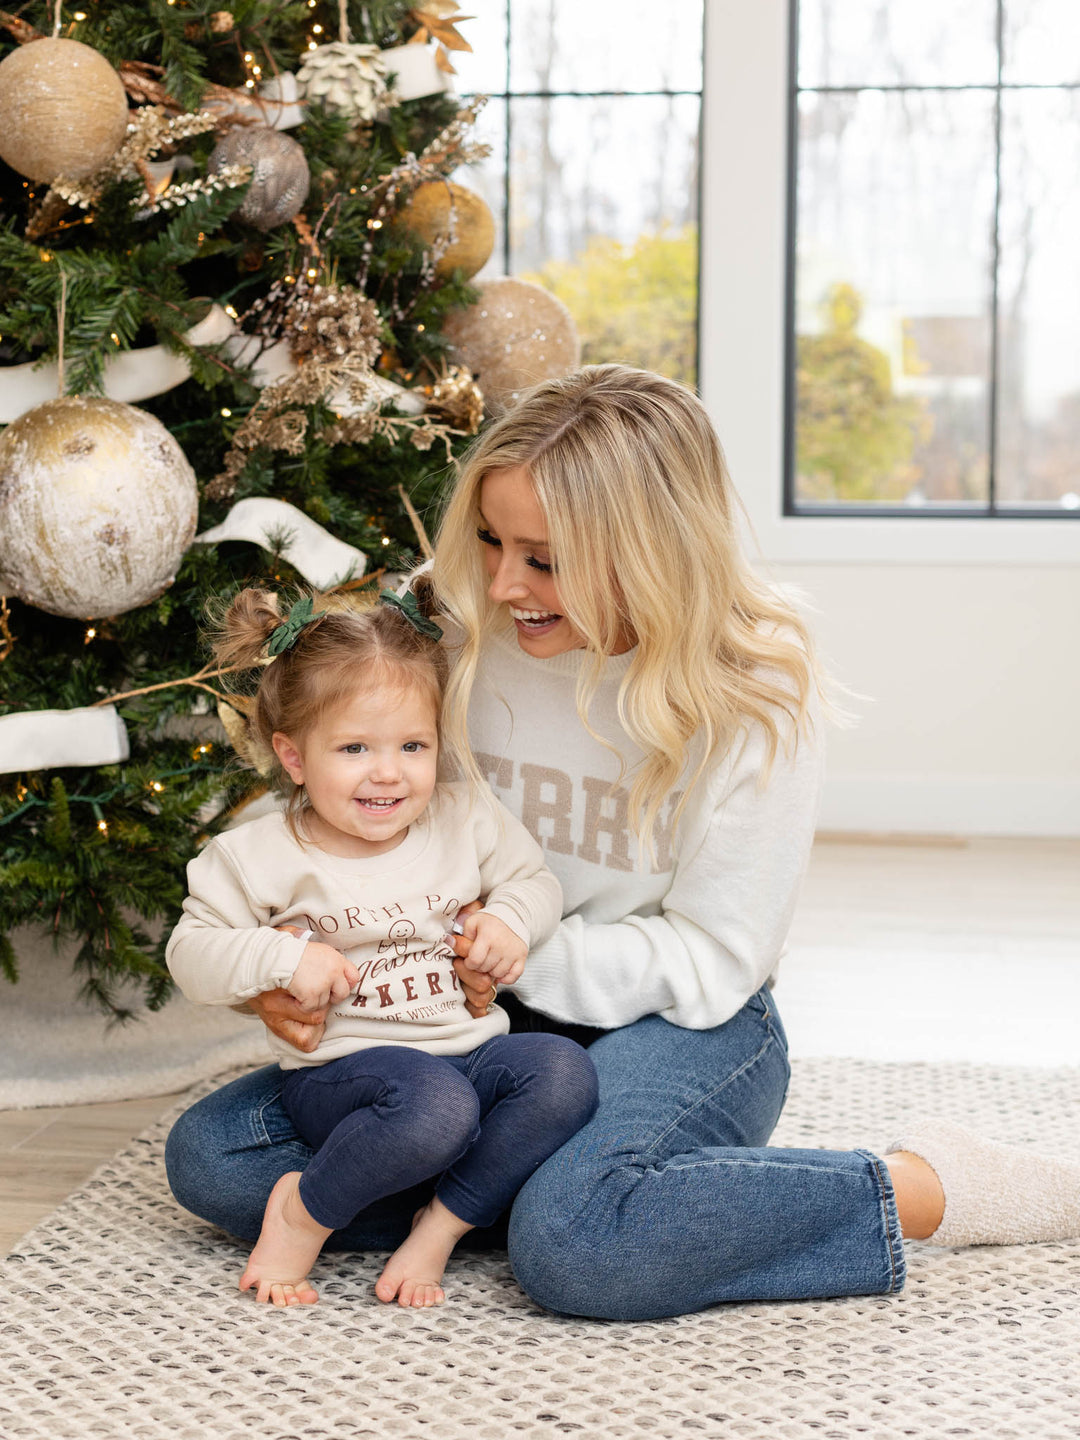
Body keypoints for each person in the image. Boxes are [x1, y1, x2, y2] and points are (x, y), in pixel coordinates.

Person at [165, 365, 1080, 1322]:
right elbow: (336, 796)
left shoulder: (754, 696)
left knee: (577, 1251)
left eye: (546, 560)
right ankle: (570, 1180)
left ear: (648, 551)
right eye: (488, 540)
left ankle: (919, 1187)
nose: (504, 583)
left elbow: (720, 956)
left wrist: (500, 950)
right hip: (469, 1021)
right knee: (216, 1159)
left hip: (682, 1022)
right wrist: (289, 962)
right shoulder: (452, 624)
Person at [165, 589, 598, 1308]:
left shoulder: (463, 817)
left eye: (412, 746)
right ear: (293, 756)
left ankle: (441, 1224)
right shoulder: (259, 855)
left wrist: (512, 923)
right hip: (349, 1071)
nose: (388, 772)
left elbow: (532, 880)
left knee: (562, 1072)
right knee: (435, 1108)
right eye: (355, 748)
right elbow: (191, 952)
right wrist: (281, 961)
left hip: (466, 1048)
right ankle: (302, 1214)